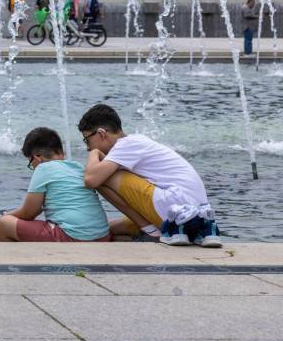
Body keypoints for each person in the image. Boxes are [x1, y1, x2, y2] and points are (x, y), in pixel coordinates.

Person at [77, 104, 221, 247]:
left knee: (102, 177)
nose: (87, 147)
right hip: (194, 217)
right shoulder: (134, 143)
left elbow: (91, 180)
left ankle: (151, 232)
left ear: (101, 134)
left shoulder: (126, 145)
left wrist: (94, 153)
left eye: (87, 140)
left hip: (176, 209)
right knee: (109, 230)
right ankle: (151, 230)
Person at [0, 128, 111, 242]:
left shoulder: (43, 168)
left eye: (31, 163)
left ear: (37, 158)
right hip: (103, 235)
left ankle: (14, 255)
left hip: (74, 236)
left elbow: (29, 213)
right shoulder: (78, 166)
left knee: (4, 224)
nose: (33, 167)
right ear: (60, 151)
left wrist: (7, 215)